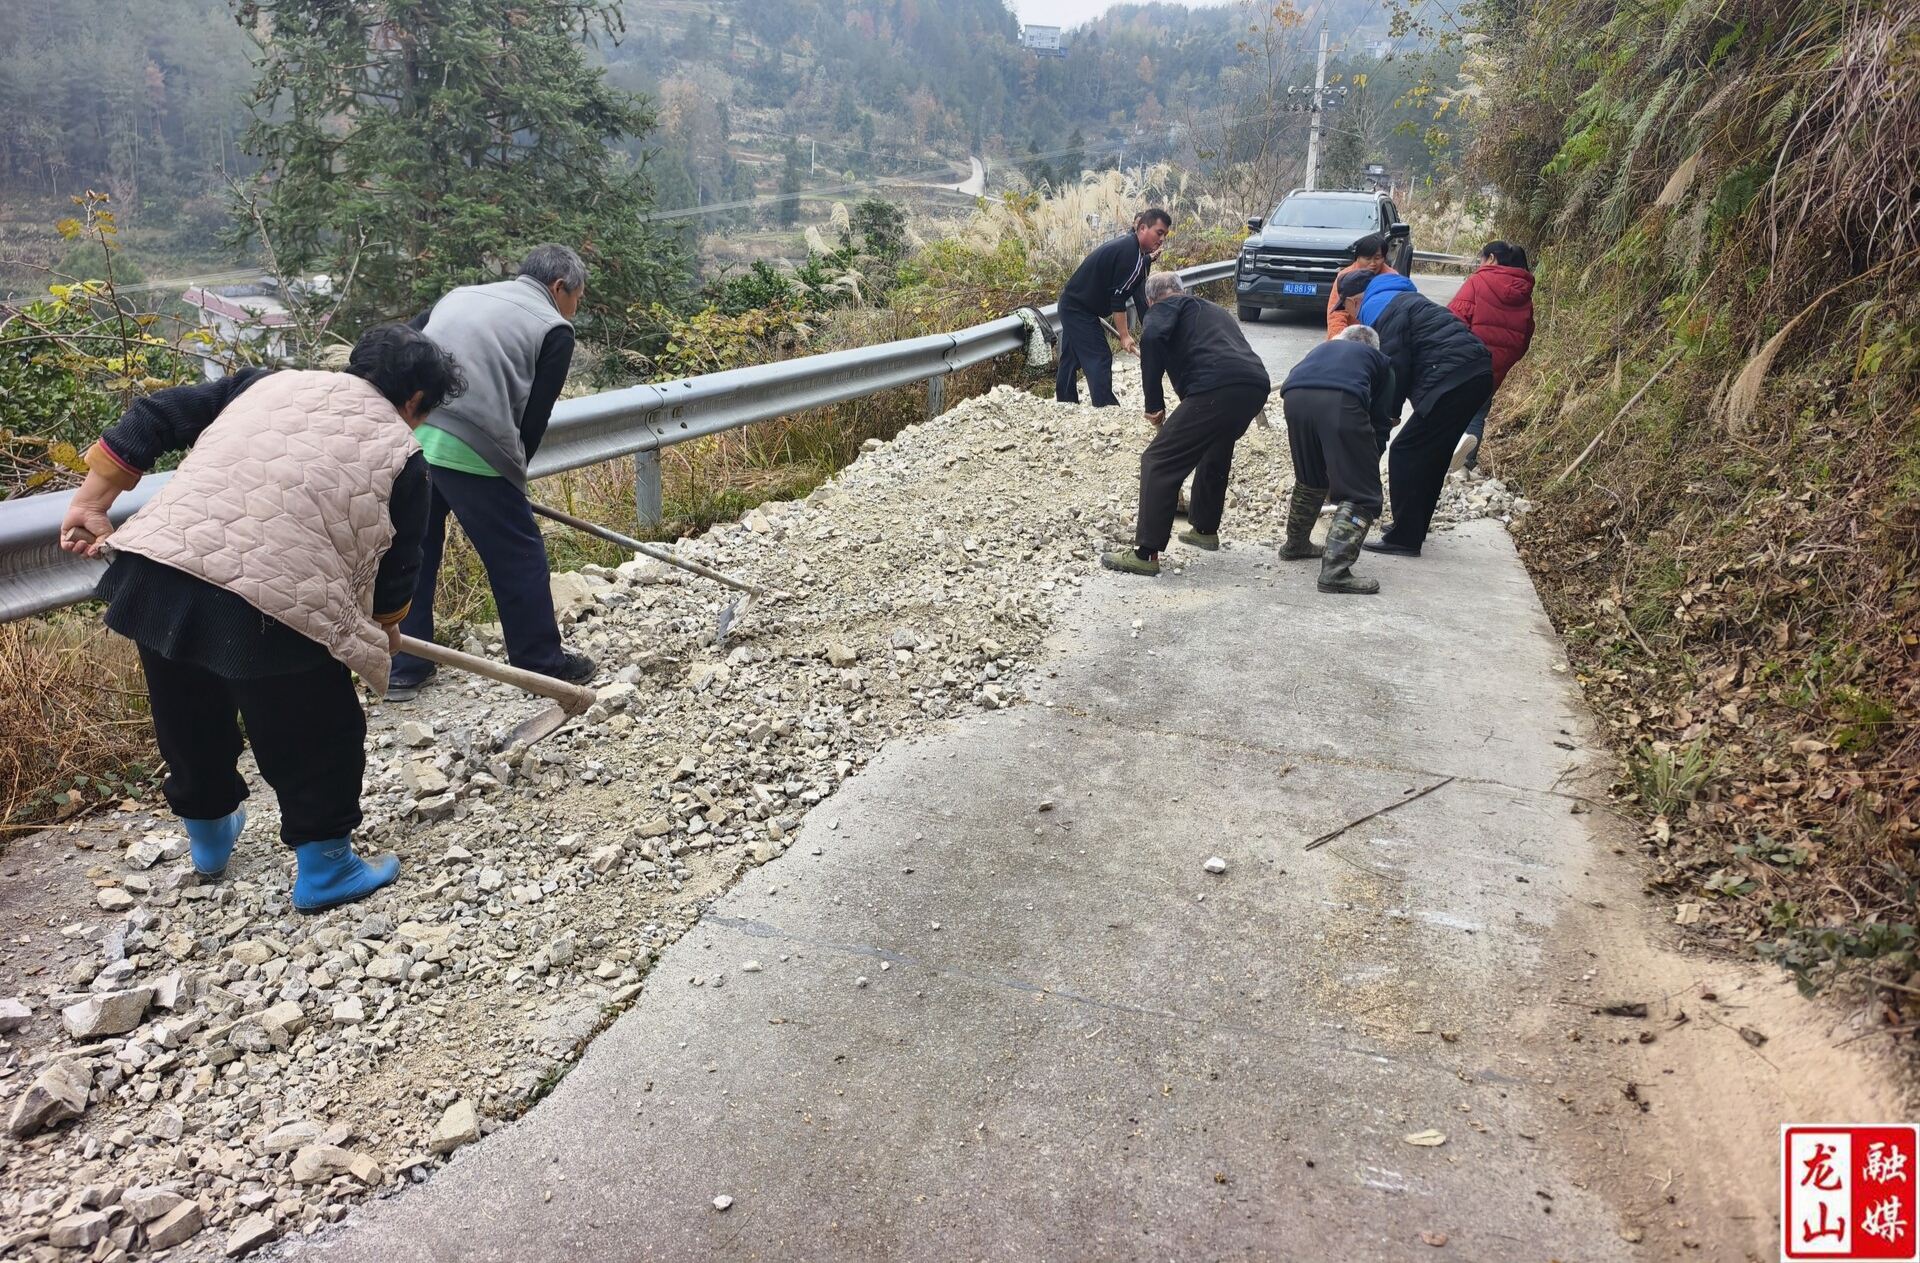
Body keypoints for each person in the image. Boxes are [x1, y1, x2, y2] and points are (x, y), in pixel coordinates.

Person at [57, 325, 465, 912]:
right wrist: (387, 622)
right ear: (416, 402)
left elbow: (154, 416)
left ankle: (210, 837)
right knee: (315, 729)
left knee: (187, 710)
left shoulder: (261, 385)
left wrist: (91, 502)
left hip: (159, 567)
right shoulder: (404, 456)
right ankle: (327, 867)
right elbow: (400, 562)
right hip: (273, 601)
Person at [387, 244, 597, 701]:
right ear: (559, 288)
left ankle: (405, 666)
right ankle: (541, 665)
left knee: (413, 550)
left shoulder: (460, 294)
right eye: (577, 297)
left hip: (414, 437)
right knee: (517, 554)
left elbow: (406, 343)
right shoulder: (554, 328)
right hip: (474, 444)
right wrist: (513, 478)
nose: (575, 309)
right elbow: (533, 419)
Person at [1101, 272, 1271, 576]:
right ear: (1183, 290)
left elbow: (1152, 337)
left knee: (1158, 460)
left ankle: (1145, 554)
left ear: (1151, 300)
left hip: (1215, 387)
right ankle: (1204, 531)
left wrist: (1153, 404)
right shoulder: (1214, 310)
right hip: (1255, 386)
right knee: (1216, 448)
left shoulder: (1162, 308)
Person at [1346, 270, 1494, 557]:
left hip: (1453, 378)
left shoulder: (1379, 308)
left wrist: (1389, 415)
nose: (1353, 315)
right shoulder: (1401, 296)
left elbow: (1396, 364)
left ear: (1354, 301)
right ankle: (1414, 527)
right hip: (1477, 372)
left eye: (1348, 308)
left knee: (1405, 451)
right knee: (1432, 455)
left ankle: (1404, 537)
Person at [1278, 313, 1398, 594]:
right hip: (1340, 399)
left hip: (1294, 398)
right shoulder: (1380, 362)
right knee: (1361, 495)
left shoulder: (1324, 348)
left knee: (1310, 477)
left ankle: (1295, 545)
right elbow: (1379, 423)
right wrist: (1364, 469)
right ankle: (1335, 571)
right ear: (1373, 347)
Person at [1055, 209, 1173, 408]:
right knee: (1100, 355)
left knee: (1071, 355)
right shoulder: (1129, 253)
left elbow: (1139, 296)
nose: (1162, 239)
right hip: (1077, 308)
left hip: (1078, 305)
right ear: (1142, 228)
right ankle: (1106, 408)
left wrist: (1152, 331)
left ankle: (1065, 403)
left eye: (1165, 235)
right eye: (1159, 233)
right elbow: (1118, 299)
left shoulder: (1134, 251)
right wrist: (1125, 335)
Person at [1446, 240, 1535, 470]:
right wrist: (1505, 361)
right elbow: (1525, 336)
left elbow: (1455, 320)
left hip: (1467, 359)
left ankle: (1443, 460)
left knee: (1450, 410)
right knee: (1477, 414)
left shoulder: (1478, 280)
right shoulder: (1524, 292)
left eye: (1481, 259)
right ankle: (1465, 467)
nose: (1480, 264)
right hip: (1495, 365)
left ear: (1492, 258)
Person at [1326, 233, 1398, 340]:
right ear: (1358, 258)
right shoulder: (1345, 278)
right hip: (1349, 336)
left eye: (1377, 258)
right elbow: (1336, 315)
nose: (1373, 263)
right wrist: (1340, 341)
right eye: (1368, 258)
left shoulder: (1392, 279)